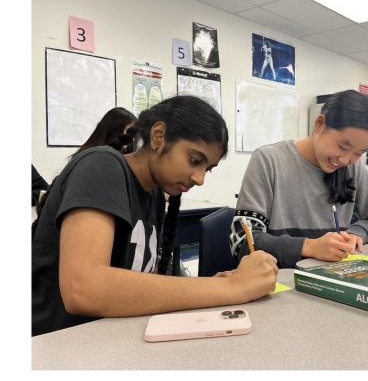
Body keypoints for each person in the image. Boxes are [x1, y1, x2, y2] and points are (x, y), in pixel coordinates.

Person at [32, 95, 278, 336]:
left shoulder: (155, 197)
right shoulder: (101, 166)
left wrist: (215, 285)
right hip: (58, 345)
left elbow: (142, 287)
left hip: (111, 339)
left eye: (208, 169)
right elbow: (84, 289)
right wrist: (230, 288)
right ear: (158, 136)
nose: (200, 179)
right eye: (194, 160)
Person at [230, 90, 368, 268]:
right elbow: (242, 242)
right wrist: (309, 246)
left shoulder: (352, 168)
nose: (345, 160)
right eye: (342, 146)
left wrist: (357, 233)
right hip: (281, 283)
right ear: (320, 124)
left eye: (358, 153)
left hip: (335, 277)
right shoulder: (269, 160)